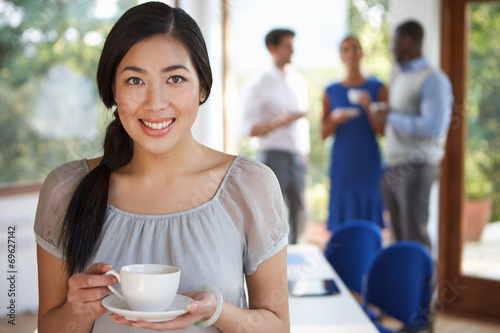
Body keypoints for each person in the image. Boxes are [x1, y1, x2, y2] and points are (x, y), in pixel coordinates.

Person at [34, 2, 290, 332]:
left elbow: (277, 326)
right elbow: (49, 326)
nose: (156, 103)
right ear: (113, 89)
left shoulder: (251, 186)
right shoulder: (65, 189)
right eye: (135, 80)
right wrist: (77, 312)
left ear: (202, 88)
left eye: (175, 78)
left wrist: (216, 311)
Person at [377, 20, 453, 249]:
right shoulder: (401, 76)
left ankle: (425, 286)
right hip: (395, 166)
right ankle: (405, 286)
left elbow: (434, 128)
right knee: (400, 242)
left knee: (415, 239)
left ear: (407, 41)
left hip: (416, 167)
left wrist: (391, 117)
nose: (392, 47)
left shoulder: (433, 79)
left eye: (395, 42)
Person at [239, 28, 309, 244]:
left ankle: (296, 264)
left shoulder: (298, 80)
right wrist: (279, 122)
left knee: (300, 211)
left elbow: (302, 123)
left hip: (296, 156)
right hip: (272, 155)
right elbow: (246, 129)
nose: (292, 51)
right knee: (271, 213)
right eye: (288, 46)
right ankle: (271, 264)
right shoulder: (258, 83)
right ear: (273, 48)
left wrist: (304, 152)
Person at [321, 36, 388, 232]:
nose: (350, 53)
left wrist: (369, 107)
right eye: (345, 49)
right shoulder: (330, 91)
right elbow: (322, 134)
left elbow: (383, 131)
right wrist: (333, 119)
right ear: (341, 56)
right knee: (342, 215)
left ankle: (370, 255)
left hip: (369, 160)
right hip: (343, 162)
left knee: (370, 212)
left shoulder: (378, 88)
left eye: (355, 48)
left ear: (362, 53)